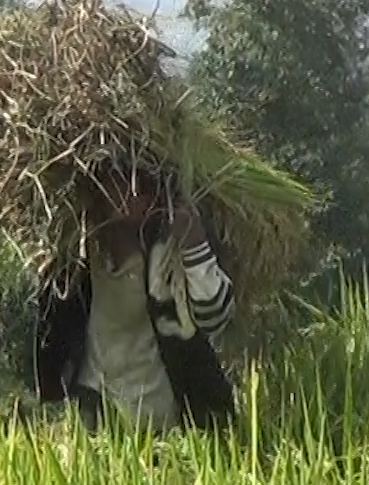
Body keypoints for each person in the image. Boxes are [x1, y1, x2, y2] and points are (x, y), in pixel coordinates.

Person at [33, 167, 238, 432]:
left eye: (139, 181)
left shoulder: (170, 251)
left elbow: (215, 316)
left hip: (157, 411)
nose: (130, 189)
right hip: (96, 406)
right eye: (117, 180)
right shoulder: (83, 251)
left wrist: (194, 245)